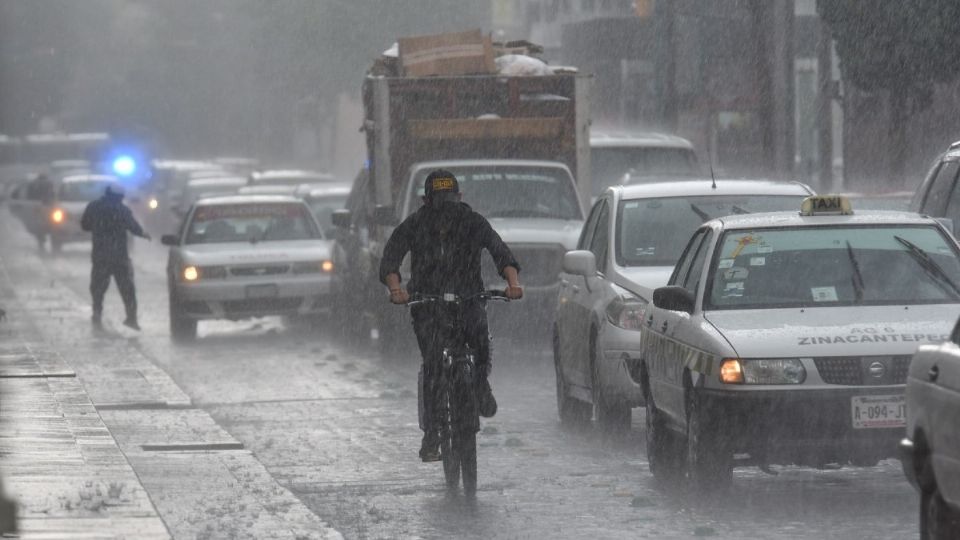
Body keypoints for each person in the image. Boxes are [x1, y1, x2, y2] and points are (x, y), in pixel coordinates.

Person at [380, 169, 523, 462]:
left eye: (449, 200)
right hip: (427, 303)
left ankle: (480, 384)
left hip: (468, 298)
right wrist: (397, 290)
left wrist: (512, 284)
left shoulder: (473, 222)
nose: (445, 208)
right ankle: (432, 434)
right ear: (426, 200)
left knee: (480, 340)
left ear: (459, 198)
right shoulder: (415, 225)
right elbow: (390, 259)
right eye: (438, 201)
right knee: (433, 363)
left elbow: (501, 253)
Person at [80, 184, 151, 330]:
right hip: (119, 256)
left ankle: (97, 312)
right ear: (119, 197)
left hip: (100, 255)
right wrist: (143, 234)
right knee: (127, 288)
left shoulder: (94, 207)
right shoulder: (122, 210)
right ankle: (131, 318)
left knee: (98, 287)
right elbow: (133, 227)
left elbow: (85, 225)